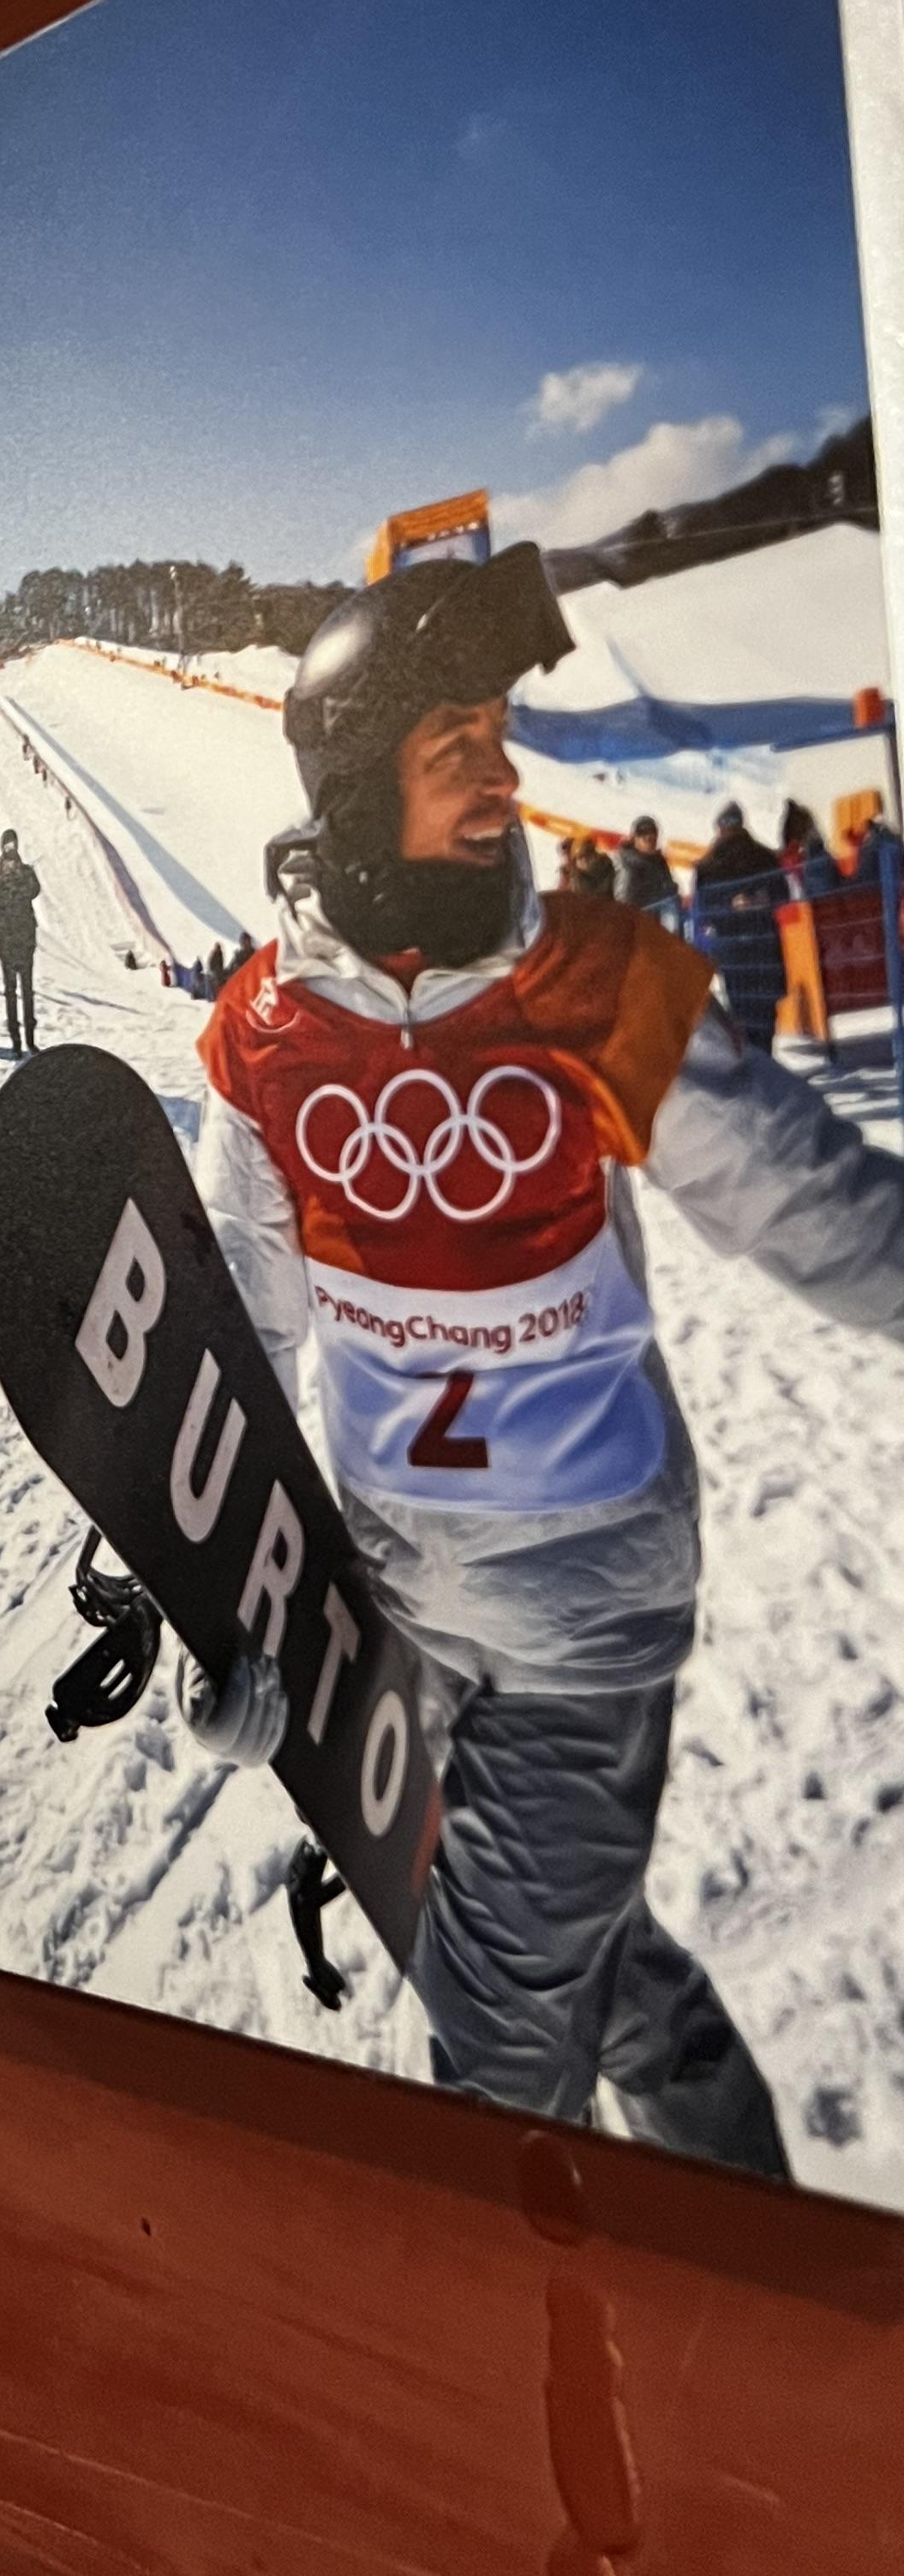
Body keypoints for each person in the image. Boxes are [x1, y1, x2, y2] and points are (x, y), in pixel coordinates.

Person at [189, 543, 904, 2179]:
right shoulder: (263, 1036)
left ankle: (553, 2331)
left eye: (495, 738)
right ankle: (743, 2218)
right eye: (456, 748)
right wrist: (219, 1591)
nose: (502, 778)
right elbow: (241, 1327)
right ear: (358, 785)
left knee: (496, 2062)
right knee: (593, 1969)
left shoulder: (593, 977)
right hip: (404, 1611)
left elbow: (809, 1204)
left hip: (584, 1617)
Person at [691, 800, 785, 1056]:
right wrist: (741, 902)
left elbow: (703, 911)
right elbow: (705, 910)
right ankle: (761, 1061)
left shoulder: (710, 865)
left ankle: (758, 1062)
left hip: (743, 945)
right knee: (759, 1011)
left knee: (750, 1010)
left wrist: (754, 900)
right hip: (754, 943)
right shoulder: (761, 858)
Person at [0, 828, 40, 1051]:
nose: (10, 849)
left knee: (28, 991)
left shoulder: (25, 872)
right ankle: (16, 1041)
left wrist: (19, 877)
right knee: (11, 991)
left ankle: (30, 1039)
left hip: (25, 939)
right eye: (7, 845)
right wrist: (7, 884)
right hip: (7, 941)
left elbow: (34, 890)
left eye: (13, 844)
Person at [614, 815, 678, 915]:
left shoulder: (659, 862)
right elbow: (625, 901)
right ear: (634, 839)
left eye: (652, 833)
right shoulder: (628, 865)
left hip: (658, 915)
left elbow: (670, 890)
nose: (648, 837)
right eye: (642, 834)